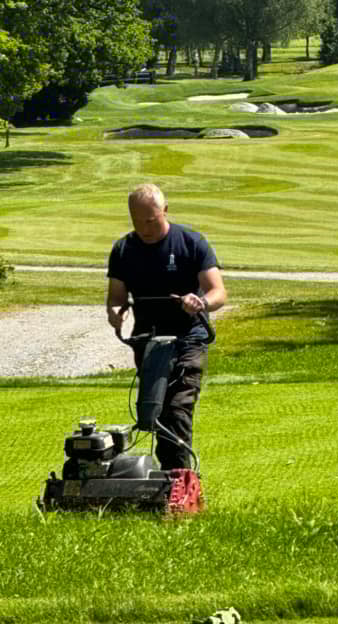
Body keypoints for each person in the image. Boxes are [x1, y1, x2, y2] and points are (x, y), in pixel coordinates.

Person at [106, 183, 227, 470]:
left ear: (165, 211)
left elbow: (218, 293)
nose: (145, 228)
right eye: (137, 222)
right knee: (153, 409)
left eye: (151, 220)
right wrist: (114, 313)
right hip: (148, 340)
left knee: (176, 409)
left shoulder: (191, 243)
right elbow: (116, 297)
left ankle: (180, 479)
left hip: (188, 338)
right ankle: (164, 480)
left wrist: (200, 303)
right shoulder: (124, 249)